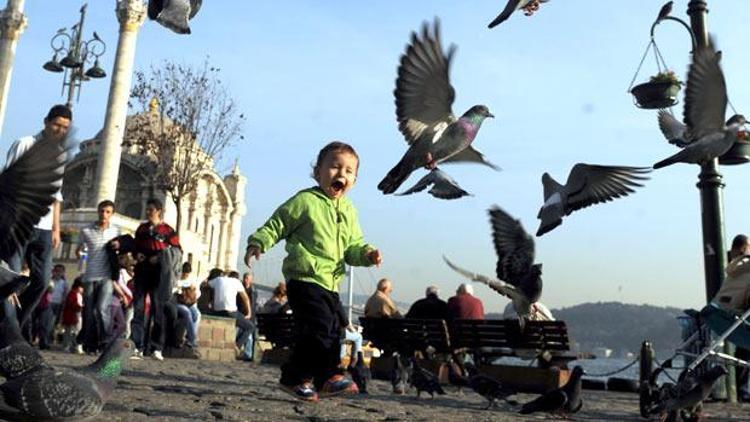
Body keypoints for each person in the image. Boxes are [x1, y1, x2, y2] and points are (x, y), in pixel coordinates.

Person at [245, 141, 382, 402]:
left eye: (349, 170)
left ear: (355, 179)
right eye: (334, 167)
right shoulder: (305, 201)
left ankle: (305, 378)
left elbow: (352, 247)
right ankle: (325, 376)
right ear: (318, 171)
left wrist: (366, 254)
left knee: (329, 331)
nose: (341, 174)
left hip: (330, 283)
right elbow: (279, 223)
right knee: (319, 328)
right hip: (304, 278)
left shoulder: (349, 210)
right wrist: (258, 241)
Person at [5, 104, 71, 329]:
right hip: (18, 224)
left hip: (43, 227)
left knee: (42, 281)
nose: (59, 130)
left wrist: (56, 228)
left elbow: (56, 195)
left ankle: (15, 327)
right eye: (56, 124)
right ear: (46, 122)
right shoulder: (25, 144)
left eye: (65, 128)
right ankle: (9, 334)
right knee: (11, 280)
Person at [130, 198, 181, 361]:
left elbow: (177, 251)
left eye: (151, 209)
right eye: (147, 209)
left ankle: (156, 347)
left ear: (159, 211)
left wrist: (160, 258)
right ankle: (136, 345)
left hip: (159, 273)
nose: (148, 212)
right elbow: (135, 246)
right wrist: (137, 254)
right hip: (142, 270)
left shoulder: (168, 231)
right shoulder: (142, 229)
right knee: (138, 308)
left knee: (158, 310)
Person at [77, 200, 121, 353]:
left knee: (102, 309)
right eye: (102, 211)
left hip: (107, 276)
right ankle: (90, 344)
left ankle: (105, 341)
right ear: (98, 211)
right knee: (88, 312)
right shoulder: (86, 230)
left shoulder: (116, 231)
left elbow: (120, 252)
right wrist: (80, 255)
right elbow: (79, 250)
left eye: (108, 212)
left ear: (112, 214)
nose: (104, 214)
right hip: (89, 276)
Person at [712, 234, 750, 400]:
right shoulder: (744, 265)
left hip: (718, 311)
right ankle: (740, 389)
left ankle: (739, 388)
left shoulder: (726, 262)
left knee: (743, 351)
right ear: (744, 248)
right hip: (737, 316)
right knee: (744, 349)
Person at [206, 269, 254, 361]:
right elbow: (246, 299)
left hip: (217, 311)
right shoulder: (236, 282)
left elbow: (205, 284)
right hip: (230, 312)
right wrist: (249, 313)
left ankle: (236, 345)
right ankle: (237, 345)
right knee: (250, 327)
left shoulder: (218, 279)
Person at [175, 262, 201, 349]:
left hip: (190, 303)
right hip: (178, 302)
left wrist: (193, 291)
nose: (185, 276)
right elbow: (173, 290)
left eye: (187, 274)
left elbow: (198, 294)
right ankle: (192, 339)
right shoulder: (177, 279)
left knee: (197, 315)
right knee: (187, 313)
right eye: (184, 274)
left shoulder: (192, 279)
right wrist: (179, 289)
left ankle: (189, 338)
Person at [61, 277, 84, 354]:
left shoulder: (78, 294)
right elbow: (72, 304)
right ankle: (67, 346)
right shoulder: (73, 293)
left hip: (77, 316)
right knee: (69, 332)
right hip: (71, 316)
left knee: (75, 332)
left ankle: (74, 346)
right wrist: (80, 307)